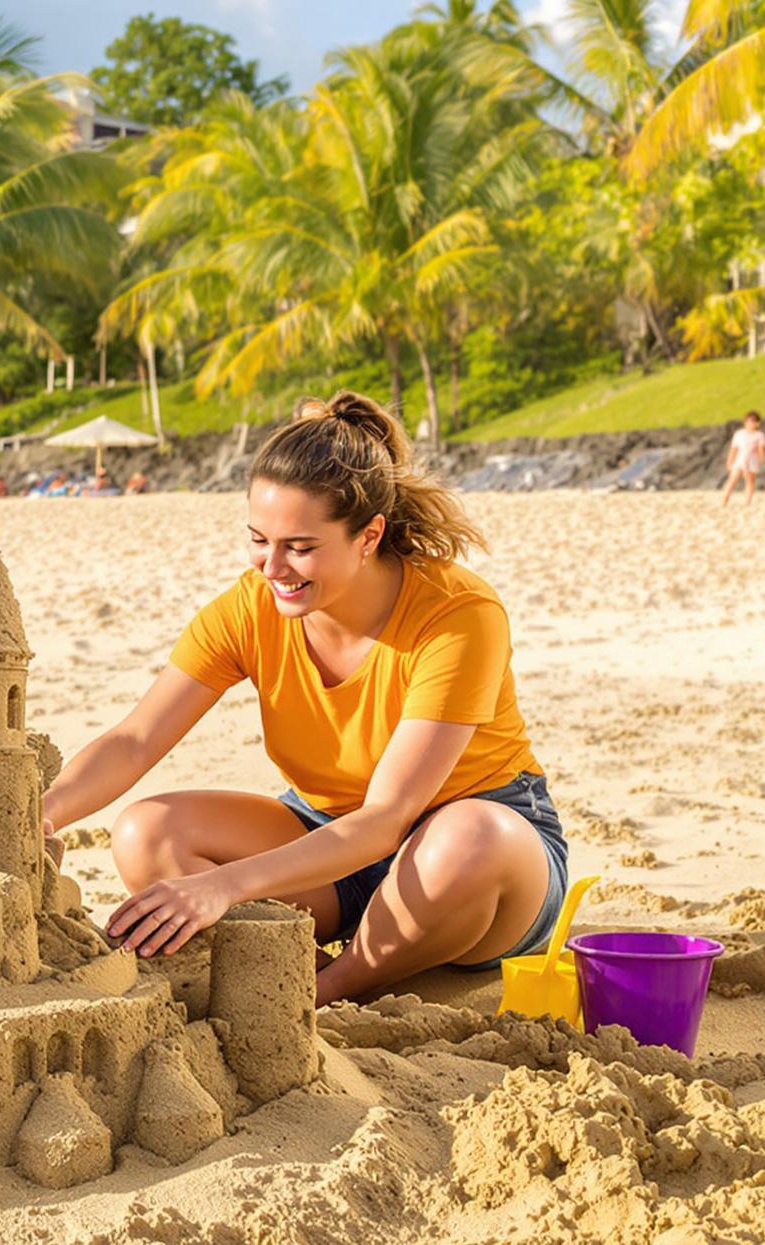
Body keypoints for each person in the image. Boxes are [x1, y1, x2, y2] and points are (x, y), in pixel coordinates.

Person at [39, 392, 567, 1006]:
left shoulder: (457, 615)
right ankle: (301, 961)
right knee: (146, 833)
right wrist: (40, 816)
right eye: (259, 539)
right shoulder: (251, 607)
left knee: (467, 839)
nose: (273, 567)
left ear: (369, 536)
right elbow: (134, 741)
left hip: (481, 857)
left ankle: (330, 990)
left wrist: (222, 888)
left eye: (301, 546)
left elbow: (386, 819)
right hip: (331, 839)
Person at [720, 410, 765, 506]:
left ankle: (747, 501)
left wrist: (760, 460)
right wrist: (730, 460)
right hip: (740, 458)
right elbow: (734, 449)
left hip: (752, 459)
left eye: (753, 421)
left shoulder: (759, 435)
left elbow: (761, 449)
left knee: (750, 480)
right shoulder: (739, 434)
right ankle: (725, 499)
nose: (751, 424)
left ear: (757, 423)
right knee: (733, 479)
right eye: (749, 421)